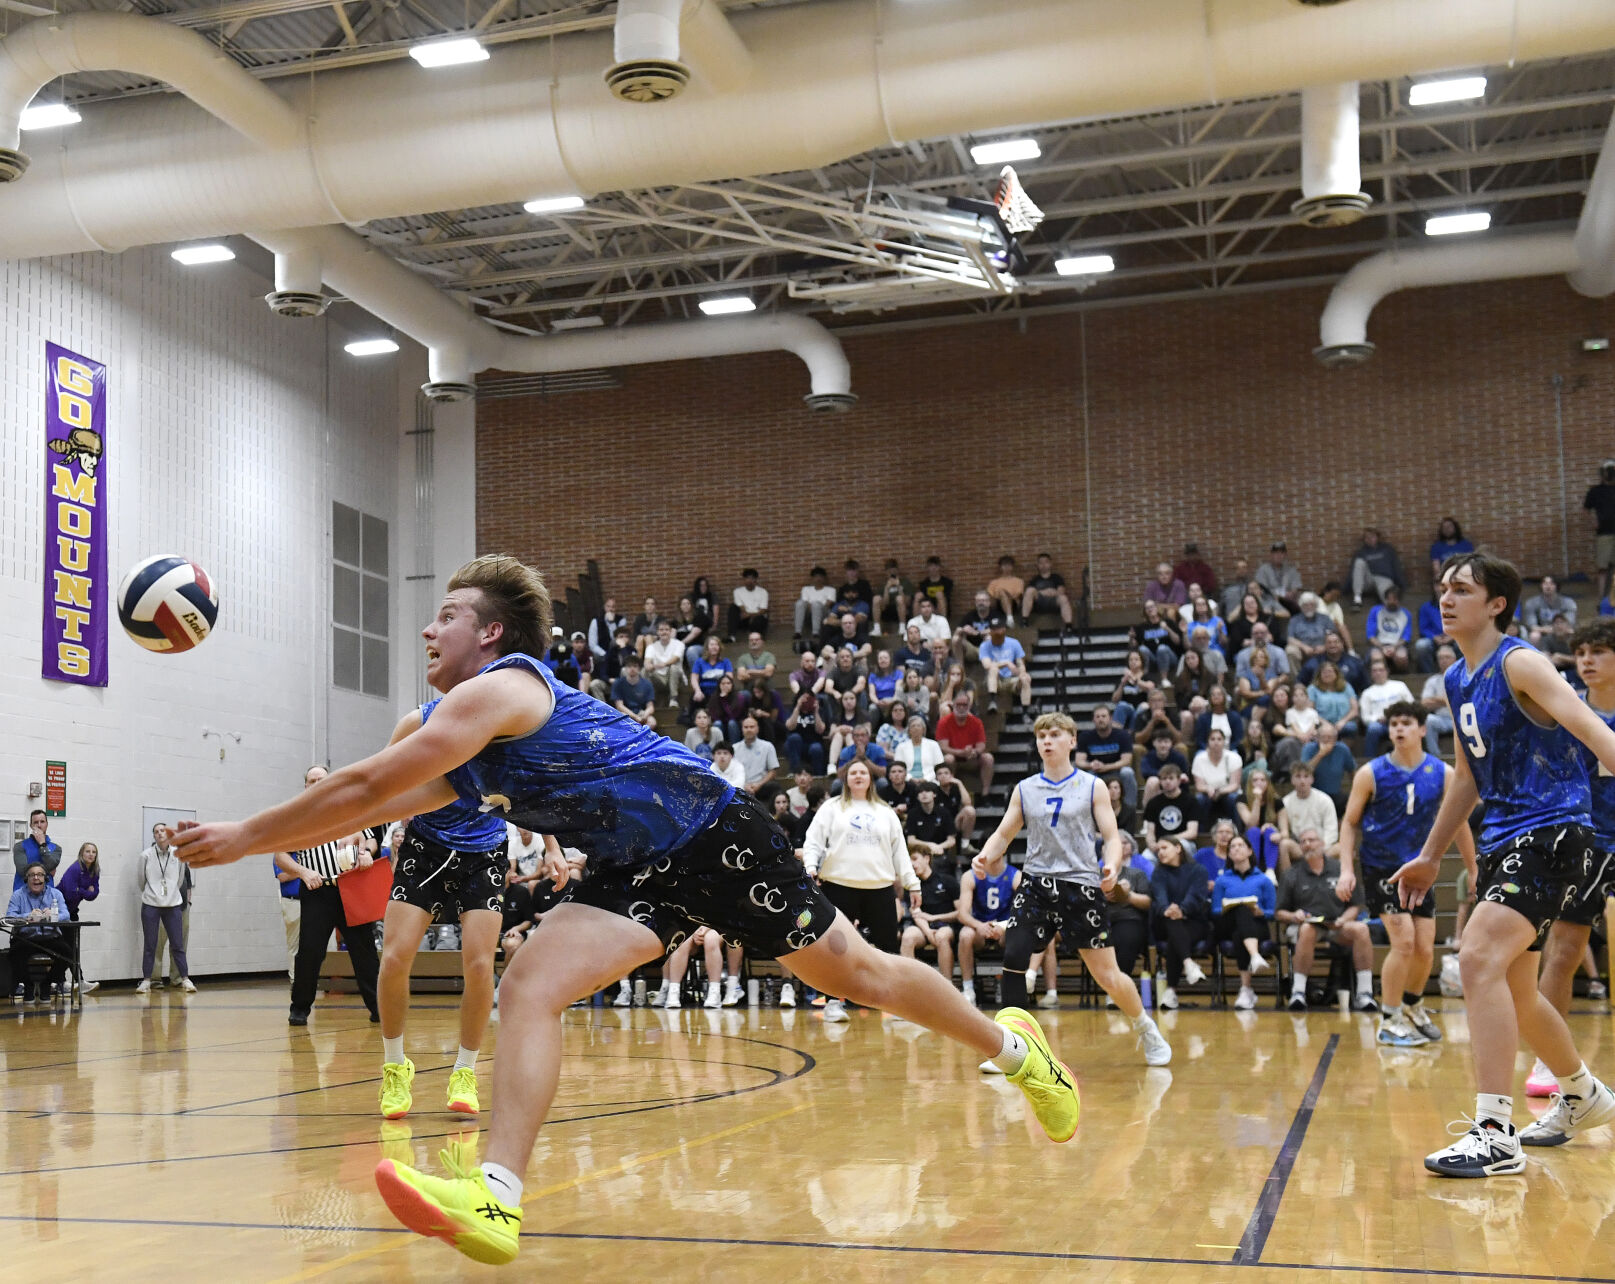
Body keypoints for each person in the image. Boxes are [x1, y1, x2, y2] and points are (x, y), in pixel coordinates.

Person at [172, 555, 1086, 1263]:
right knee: (528, 986)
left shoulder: (503, 689)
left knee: (864, 977)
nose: (427, 627)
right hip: (633, 868)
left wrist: (247, 833)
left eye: (446, 614)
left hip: (712, 830)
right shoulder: (460, 742)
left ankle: (1016, 1050)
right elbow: (380, 799)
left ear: (489, 635)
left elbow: (369, 780)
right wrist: (276, 832)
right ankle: (495, 1195)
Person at [1392, 552, 1615, 1178]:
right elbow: (1468, 775)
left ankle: (1494, 1131)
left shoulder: (1520, 661)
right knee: (1516, 992)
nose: (1446, 598)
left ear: (1496, 604)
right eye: (1442, 589)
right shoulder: (1458, 678)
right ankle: (1582, 1094)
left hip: (1554, 832)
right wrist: (1431, 855)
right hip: (1504, 839)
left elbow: (1591, 729)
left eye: (1461, 589)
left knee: (1476, 956)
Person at [966, 713, 1170, 1061]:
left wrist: (1112, 864)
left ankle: (1145, 1028)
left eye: (1055, 735)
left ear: (1072, 741)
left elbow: (1111, 837)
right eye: (1041, 736)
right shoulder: (1025, 789)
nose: (1046, 741)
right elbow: (1003, 833)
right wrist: (984, 856)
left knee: (1108, 975)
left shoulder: (1093, 786)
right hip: (1036, 885)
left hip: (1081, 887)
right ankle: (1013, 1048)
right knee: (1014, 954)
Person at [375, 698, 527, 1121]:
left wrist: (551, 847)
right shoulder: (421, 720)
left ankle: (464, 1070)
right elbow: (382, 779)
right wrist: (390, 829)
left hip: (485, 852)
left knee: (479, 965)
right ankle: (394, 1066)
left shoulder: (508, 721)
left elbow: (529, 789)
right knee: (392, 957)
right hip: (425, 844)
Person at [1337, 701, 1478, 1045]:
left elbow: (1459, 824)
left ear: (1422, 730)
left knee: (1425, 949)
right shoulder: (1370, 773)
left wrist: (1473, 869)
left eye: (1406, 723)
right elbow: (1350, 822)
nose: (1398, 729)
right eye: (1393, 723)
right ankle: (1389, 1018)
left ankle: (1413, 1007)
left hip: (1420, 870)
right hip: (1382, 869)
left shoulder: (1442, 774)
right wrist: (1345, 869)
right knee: (1403, 943)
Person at [1526, 619, 1615, 1096]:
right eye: (1580, 652)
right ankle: (1549, 1061)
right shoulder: (1566, 713)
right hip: (1587, 841)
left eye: (1598, 651)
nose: (1586, 660)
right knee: (1564, 950)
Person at [802, 760, 920, 1020]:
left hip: (880, 887)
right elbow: (813, 841)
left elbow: (900, 850)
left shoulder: (885, 811)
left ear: (871, 779)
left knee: (888, 946)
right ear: (846, 779)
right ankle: (833, 1002)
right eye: (853, 773)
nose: (858, 776)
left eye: (863, 773)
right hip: (839, 884)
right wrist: (810, 866)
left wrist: (912, 883)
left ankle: (893, 1002)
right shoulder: (831, 808)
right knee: (836, 948)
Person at [272, 767, 382, 1025]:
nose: (318, 783)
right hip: (316, 891)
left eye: (322, 779)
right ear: (306, 786)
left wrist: (365, 853)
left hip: (351, 888)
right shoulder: (297, 816)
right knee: (309, 953)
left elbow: (370, 840)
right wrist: (302, 872)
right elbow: (281, 856)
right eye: (312, 780)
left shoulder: (350, 809)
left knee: (364, 951)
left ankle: (379, 1008)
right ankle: (299, 1009)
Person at [1274, 826, 1375, 1014]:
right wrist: (1294, 916)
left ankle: (1365, 993)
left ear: (1322, 843)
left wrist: (1344, 919)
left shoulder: (1340, 870)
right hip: (1307, 926)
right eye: (1303, 841)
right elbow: (1279, 913)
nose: (1307, 844)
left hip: (1337, 925)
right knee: (1306, 930)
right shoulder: (1291, 874)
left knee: (1361, 929)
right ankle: (1298, 992)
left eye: (1311, 840)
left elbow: (1356, 904)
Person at [1212, 833, 1274, 1010]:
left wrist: (1262, 912)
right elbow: (1215, 910)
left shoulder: (1263, 879)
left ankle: (1246, 989)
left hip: (1257, 925)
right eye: (1232, 847)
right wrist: (1228, 907)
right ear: (1229, 854)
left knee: (1240, 934)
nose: (1236, 848)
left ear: (1249, 851)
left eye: (1240, 845)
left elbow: (1273, 912)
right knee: (1240, 909)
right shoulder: (1222, 880)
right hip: (1228, 922)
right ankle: (1255, 956)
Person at [1149, 837, 1211, 1009]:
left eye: (1164, 848)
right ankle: (1188, 964)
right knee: (1172, 923)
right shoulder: (1158, 872)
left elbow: (1196, 896)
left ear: (1178, 848)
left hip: (1193, 921)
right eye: (1158, 850)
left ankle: (1171, 991)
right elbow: (1159, 894)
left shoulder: (1198, 870)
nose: (1160, 852)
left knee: (1174, 941)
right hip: (1164, 920)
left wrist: (1182, 909)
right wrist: (1167, 909)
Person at [956, 843, 1017, 1008]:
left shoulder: (1015, 875)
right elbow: (962, 913)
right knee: (965, 935)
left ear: (1003, 850)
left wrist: (1003, 926)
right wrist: (979, 926)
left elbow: (1024, 910)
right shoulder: (970, 876)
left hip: (1004, 927)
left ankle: (1014, 987)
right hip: (980, 928)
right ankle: (968, 989)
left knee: (1019, 933)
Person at [136, 822, 195, 994]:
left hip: (173, 904)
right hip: (151, 904)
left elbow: (179, 880)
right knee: (150, 944)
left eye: (163, 831)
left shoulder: (178, 855)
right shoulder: (145, 855)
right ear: (153, 836)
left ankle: (185, 978)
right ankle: (147, 980)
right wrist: (153, 894)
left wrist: (169, 894)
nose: (160, 833)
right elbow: (141, 881)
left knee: (178, 944)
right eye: (156, 832)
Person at [7, 862, 69, 1002]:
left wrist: (53, 915)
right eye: (32, 875)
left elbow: (66, 915)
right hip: (26, 938)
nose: (36, 878)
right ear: (26, 879)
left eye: (40, 874)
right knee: (14, 954)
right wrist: (28, 916)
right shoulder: (18, 895)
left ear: (45, 878)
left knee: (67, 954)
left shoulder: (56, 894)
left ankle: (47, 984)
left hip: (50, 937)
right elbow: (10, 916)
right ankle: (27, 986)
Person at [899, 845, 960, 985]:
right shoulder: (911, 885)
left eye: (915, 859)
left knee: (941, 936)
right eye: (909, 861)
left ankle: (947, 986)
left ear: (927, 859)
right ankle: (911, 986)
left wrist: (935, 918)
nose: (912, 864)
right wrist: (927, 931)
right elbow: (916, 913)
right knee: (908, 936)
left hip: (945, 924)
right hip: (923, 927)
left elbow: (960, 912)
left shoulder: (947, 881)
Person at [56, 841, 101, 992]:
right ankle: (62, 981)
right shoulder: (75, 869)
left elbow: (94, 894)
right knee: (66, 947)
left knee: (71, 948)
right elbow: (69, 892)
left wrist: (80, 890)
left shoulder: (94, 870)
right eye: (87, 851)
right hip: (59, 910)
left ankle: (75, 981)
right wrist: (85, 890)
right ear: (82, 853)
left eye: (93, 852)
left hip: (72, 911)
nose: (91, 854)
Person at [1076, 704, 1136, 810]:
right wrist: (1091, 765)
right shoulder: (1085, 736)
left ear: (1110, 718)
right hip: (1095, 771)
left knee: (1128, 772)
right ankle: (1086, 809)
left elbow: (1126, 760)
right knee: (1082, 775)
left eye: (1103, 716)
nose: (1101, 719)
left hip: (1116, 770)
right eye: (1097, 717)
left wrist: (1107, 767)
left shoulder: (1122, 735)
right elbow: (1079, 761)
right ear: (1093, 720)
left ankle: (1130, 808)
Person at [936, 694, 993, 796]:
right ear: (953, 705)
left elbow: (981, 745)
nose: (961, 708)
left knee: (988, 758)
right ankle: (949, 792)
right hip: (954, 758)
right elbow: (943, 747)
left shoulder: (976, 722)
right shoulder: (944, 722)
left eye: (964, 705)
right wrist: (961, 752)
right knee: (948, 759)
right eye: (958, 705)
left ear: (969, 706)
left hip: (971, 758)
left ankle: (985, 794)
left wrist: (975, 752)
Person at [1360, 654, 1415, 757]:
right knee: (1373, 729)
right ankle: (1369, 760)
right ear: (1371, 674)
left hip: (1401, 720)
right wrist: (1378, 719)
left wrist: (1401, 716)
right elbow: (1365, 717)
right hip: (1380, 724)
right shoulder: (1367, 693)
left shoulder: (1399, 686)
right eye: (1375, 671)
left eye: (1381, 670)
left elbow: (1411, 704)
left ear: (1387, 671)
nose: (1378, 673)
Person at [1191, 727, 1243, 825]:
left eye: (1219, 739)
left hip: (1228, 792)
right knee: (1199, 799)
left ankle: (1238, 831)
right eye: (1212, 739)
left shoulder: (1234, 758)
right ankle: (1201, 833)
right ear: (1208, 742)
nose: (1216, 742)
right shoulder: (1199, 759)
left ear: (1224, 742)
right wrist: (1208, 789)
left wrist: (1220, 791)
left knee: (1234, 799)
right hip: (1208, 793)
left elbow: (1235, 784)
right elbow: (1199, 785)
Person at [1143, 762, 1198, 852]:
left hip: (1181, 842)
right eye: (1164, 779)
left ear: (1179, 780)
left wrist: (1169, 840)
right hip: (1160, 845)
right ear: (1160, 781)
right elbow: (1150, 832)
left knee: (1185, 846)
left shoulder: (1191, 801)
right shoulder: (1153, 803)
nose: (1167, 781)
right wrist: (1152, 844)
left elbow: (1192, 832)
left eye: (1171, 778)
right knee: (1147, 855)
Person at [977, 620, 1030, 715]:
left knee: (1026, 678)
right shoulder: (984, 646)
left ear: (1004, 630)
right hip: (995, 680)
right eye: (995, 630)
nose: (998, 632)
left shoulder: (1014, 643)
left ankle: (1025, 712)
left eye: (999, 629)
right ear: (991, 631)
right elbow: (987, 665)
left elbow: (1020, 663)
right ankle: (992, 701)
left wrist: (1021, 673)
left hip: (1011, 679)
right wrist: (1006, 663)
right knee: (993, 668)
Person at [1350, 528, 1405, 607]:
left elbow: (1396, 565)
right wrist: (1346, 589)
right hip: (1368, 580)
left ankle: (1391, 612)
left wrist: (1401, 584)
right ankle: (1357, 599)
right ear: (1364, 540)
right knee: (1359, 562)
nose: (1370, 539)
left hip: (1383, 578)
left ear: (1377, 537)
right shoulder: (1361, 552)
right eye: (1367, 537)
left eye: (1372, 536)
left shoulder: (1387, 549)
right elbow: (1354, 572)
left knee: (1388, 599)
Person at [1585, 460, 1615, 599]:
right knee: (1602, 568)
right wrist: (1593, 521)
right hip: (1604, 534)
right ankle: (1602, 600)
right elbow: (1586, 509)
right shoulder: (1595, 491)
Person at [1365, 586, 1413, 672]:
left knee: (1402, 657)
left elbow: (1406, 637)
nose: (1391, 602)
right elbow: (1370, 636)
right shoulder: (1375, 611)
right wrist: (1382, 647)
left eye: (1394, 599)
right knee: (1376, 657)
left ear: (1399, 600)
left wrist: (1394, 647)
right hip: (1379, 644)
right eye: (1389, 599)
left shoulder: (1406, 614)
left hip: (1397, 645)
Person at [12, 810, 61, 891]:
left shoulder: (56, 848)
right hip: (23, 895)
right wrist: (47, 870)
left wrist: (42, 844)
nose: (39, 825)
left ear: (47, 824)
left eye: (42, 822)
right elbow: (22, 871)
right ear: (31, 825)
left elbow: (51, 866)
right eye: (35, 822)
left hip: (46, 896)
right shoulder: (19, 846)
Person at [1020, 552, 1073, 627]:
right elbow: (1030, 594)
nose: (1043, 565)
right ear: (1037, 565)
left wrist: (1053, 592)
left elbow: (1061, 591)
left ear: (1050, 564)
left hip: (1054, 603)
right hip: (1039, 604)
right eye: (1041, 563)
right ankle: (1024, 620)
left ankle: (1068, 626)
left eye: (1046, 562)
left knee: (1063, 598)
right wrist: (1043, 592)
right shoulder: (1035, 579)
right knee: (1029, 590)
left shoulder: (1056, 577)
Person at [642, 620, 685, 709]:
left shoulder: (679, 644)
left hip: (674, 677)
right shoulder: (651, 647)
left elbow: (675, 658)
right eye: (661, 630)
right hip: (659, 678)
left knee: (673, 667)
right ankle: (649, 701)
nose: (664, 632)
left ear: (670, 631)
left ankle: (673, 699)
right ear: (657, 632)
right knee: (644, 670)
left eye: (666, 630)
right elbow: (647, 662)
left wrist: (663, 664)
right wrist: (648, 665)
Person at [1521, 575, 1577, 642]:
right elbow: (1531, 625)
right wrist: (1545, 629)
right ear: (1541, 586)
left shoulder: (1568, 602)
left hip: (1561, 630)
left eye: (1551, 584)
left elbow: (1570, 622)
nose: (1548, 586)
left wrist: (1555, 629)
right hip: (1541, 631)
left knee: (1571, 632)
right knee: (1534, 635)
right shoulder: (1531, 603)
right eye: (1545, 583)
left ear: (1557, 586)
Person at [1256, 540, 1303, 619]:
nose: (1279, 555)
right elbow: (1261, 588)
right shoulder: (1263, 570)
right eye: (1276, 553)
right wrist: (1275, 595)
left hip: (1288, 602)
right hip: (1269, 601)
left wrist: (1292, 593)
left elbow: (1296, 587)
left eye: (1281, 553)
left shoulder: (1291, 570)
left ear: (1285, 555)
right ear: (1271, 555)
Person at [733, 717, 781, 794]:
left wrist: (758, 785)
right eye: (746, 727)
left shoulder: (768, 746)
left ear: (757, 729)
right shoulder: (734, 748)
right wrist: (743, 786)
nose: (749, 729)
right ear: (742, 729)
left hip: (761, 786)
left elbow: (773, 771)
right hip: (740, 787)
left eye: (752, 727)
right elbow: (731, 771)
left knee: (775, 786)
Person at [610, 654, 658, 728]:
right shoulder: (618, 683)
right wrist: (635, 717)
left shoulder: (647, 684)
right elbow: (619, 706)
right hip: (625, 713)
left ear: (639, 669)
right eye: (629, 666)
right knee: (621, 719)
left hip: (641, 712)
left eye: (635, 666)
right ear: (625, 668)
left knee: (652, 722)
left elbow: (650, 707)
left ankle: (644, 739)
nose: (632, 669)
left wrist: (645, 715)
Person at [893, 715, 944, 783]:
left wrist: (926, 779)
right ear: (909, 730)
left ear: (923, 729)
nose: (916, 728)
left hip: (930, 780)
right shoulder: (901, 747)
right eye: (913, 726)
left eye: (918, 726)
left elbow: (939, 766)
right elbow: (898, 767)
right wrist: (910, 779)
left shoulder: (933, 744)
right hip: (907, 781)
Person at [795, 566, 836, 644]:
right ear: (812, 578)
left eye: (820, 576)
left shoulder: (831, 590)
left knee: (816, 604)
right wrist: (813, 607)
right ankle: (798, 632)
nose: (818, 579)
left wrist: (815, 606)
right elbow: (805, 602)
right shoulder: (806, 589)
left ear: (824, 578)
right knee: (799, 603)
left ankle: (815, 632)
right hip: (808, 612)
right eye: (816, 577)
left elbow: (828, 604)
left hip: (823, 612)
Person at [728, 568, 769, 641]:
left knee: (760, 619)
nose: (749, 581)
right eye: (747, 578)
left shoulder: (763, 592)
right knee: (732, 607)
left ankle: (758, 636)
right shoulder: (737, 591)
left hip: (757, 617)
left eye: (752, 578)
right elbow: (740, 606)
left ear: (756, 580)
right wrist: (746, 615)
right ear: (743, 580)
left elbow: (763, 610)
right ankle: (731, 637)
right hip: (744, 618)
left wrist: (751, 615)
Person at [985, 555, 1025, 623]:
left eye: (1009, 565)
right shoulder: (994, 582)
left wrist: (1004, 594)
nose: (1006, 567)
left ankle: (1009, 618)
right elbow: (990, 597)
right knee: (1000, 592)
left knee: (1002, 592)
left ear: (1012, 567)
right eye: (1004, 565)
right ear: (1000, 567)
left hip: (1013, 605)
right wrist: (1002, 595)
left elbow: (1016, 596)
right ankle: (1009, 618)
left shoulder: (1019, 581)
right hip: (998, 606)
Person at [915, 556, 954, 621]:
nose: (933, 568)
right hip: (927, 608)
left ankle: (944, 623)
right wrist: (930, 608)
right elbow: (923, 600)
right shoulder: (923, 584)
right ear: (927, 568)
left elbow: (947, 598)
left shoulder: (947, 582)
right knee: (918, 596)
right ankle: (916, 624)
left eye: (936, 566)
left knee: (940, 594)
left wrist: (935, 609)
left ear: (939, 567)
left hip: (941, 608)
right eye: (931, 566)